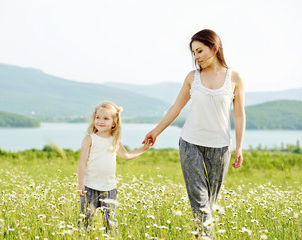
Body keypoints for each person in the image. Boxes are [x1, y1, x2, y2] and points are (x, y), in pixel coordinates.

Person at [143, 29, 245, 238]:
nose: (196, 57)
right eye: (194, 53)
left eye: (199, 51)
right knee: (199, 203)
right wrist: (156, 131)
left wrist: (239, 147)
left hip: (220, 148)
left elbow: (239, 115)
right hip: (191, 144)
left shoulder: (233, 77)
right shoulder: (192, 77)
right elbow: (176, 108)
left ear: (214, 48)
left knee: (210, 203)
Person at [78, 101, 150, 235]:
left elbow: (127, 155)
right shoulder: (90, 139)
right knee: (85, 222)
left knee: (110, 223)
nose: (100, 121)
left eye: (106, 118)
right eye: (97, 117)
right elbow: (82, 162)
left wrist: (143, 149)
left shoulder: (115, 140)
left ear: (114, 123)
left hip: (109, 188)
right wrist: (80, 184)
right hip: (89, 187)